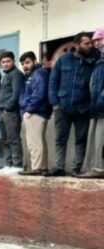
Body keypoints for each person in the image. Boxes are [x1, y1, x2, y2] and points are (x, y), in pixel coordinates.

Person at [48, 32, 99, 177]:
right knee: (60, 138)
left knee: (81, 139)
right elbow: (53, 81)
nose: (90, 46)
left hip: (83, 107)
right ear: (76, 45)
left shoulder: (94, 59)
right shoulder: (64, 59)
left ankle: (76, 168)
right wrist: (55, 103)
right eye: (86, 43)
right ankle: (59, 167)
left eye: (91, 43)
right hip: (63, 106)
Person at [0, 51, 26, 173]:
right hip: (3, 113)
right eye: (3, 62)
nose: (5, 64)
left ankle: (17, 165)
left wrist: (8, 107)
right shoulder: (6, 75)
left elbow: (16, 93)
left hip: (11, 112)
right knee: (5, 140)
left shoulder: (16, 74)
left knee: (13, 139)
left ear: (13, 61)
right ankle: (8, 164)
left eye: (8, 61)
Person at [81, 28, 104, 178]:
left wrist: (101, 98)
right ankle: (95, 167)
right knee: (96, 139)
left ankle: (99, 169)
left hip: (101, 106)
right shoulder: (99, 60)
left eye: (100, 39)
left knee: (101, 139)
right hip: (97, 107)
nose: (97, 43)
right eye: (95, 41)